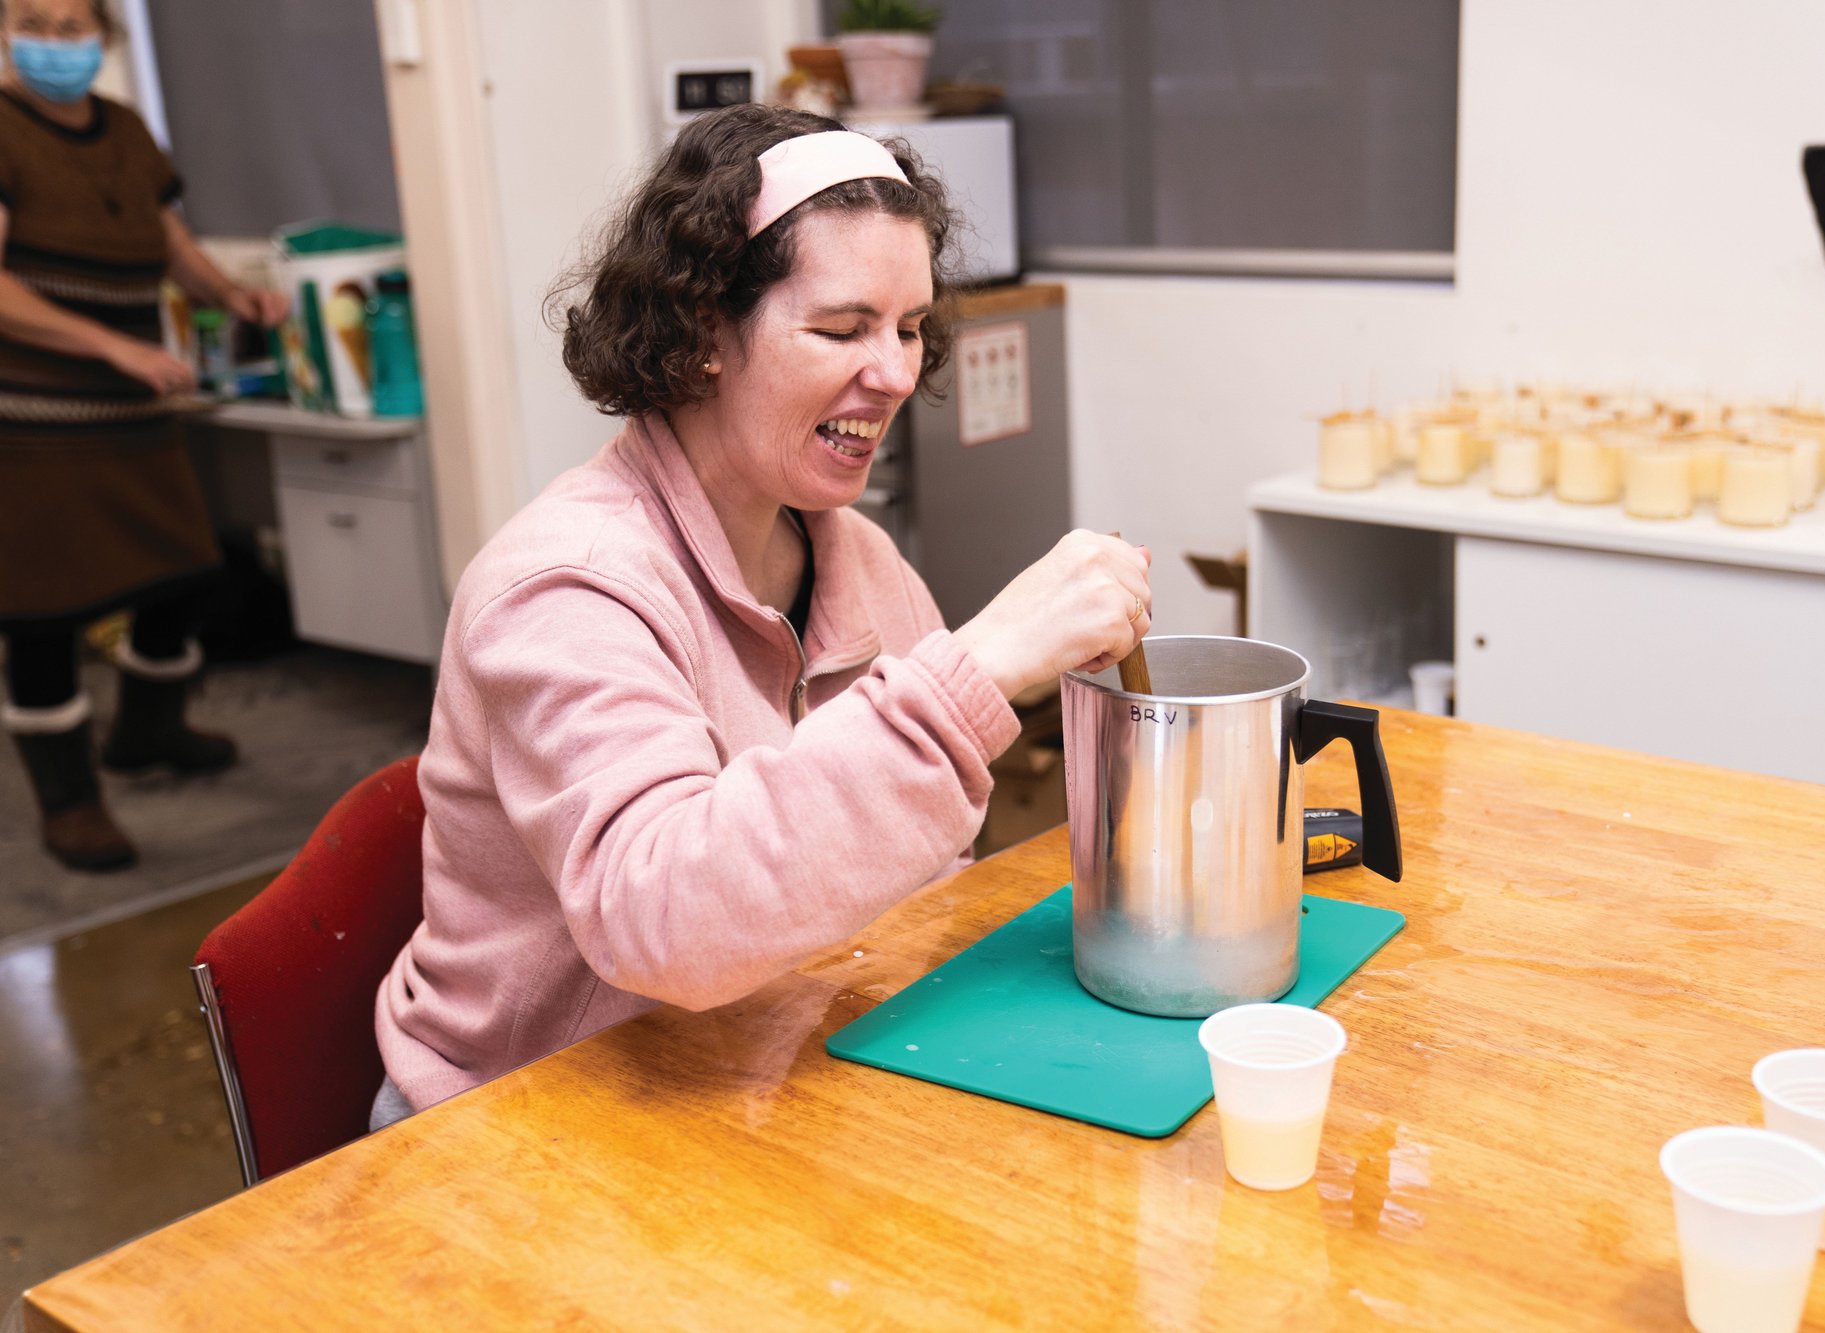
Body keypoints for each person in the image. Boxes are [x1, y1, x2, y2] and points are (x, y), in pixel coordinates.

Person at [370, 104, 1152, 1126]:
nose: (896, 373)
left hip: (745, 1074)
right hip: (525, 1125)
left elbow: (919, 879)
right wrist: (978, 669)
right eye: (840, 328)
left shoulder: (855, 559)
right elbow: (666, 924)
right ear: (701, 337)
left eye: (910, 327)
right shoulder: (564, 585)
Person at [0, 0, 288, 870]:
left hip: (133, 413)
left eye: (71, 26)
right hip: (31, 417)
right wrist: (114, 346)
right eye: (33, 24)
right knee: (42, 612)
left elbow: (172, 246)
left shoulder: (126, 129)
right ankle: (70, 800)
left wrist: (230, 292)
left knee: (185, 577)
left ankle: (146, 733)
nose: (56, 44)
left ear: (104, 38)